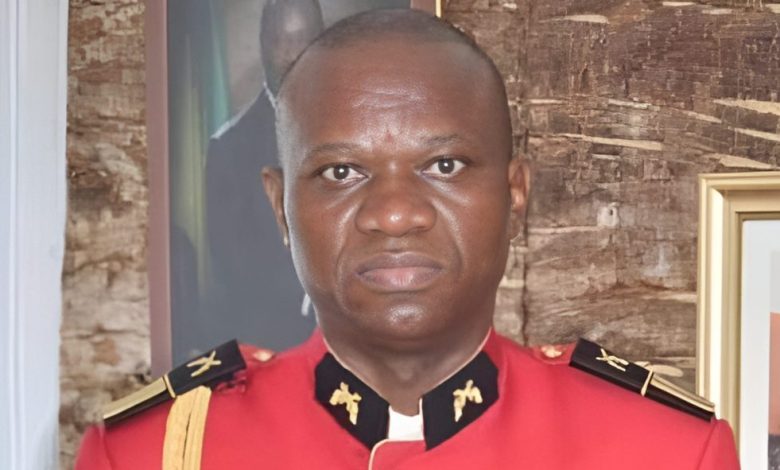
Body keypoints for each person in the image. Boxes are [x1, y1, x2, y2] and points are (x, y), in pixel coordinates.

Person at [75, 9, 740, 469]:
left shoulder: (665, 451)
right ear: (281, 208)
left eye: (444, 165)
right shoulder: (152, 453)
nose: (393, 215)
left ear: (514, 192)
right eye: (342, 172)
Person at [203, 0, 323, 352]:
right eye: (282, 40)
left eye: (303, 39)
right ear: (263, 44)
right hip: (273, 346)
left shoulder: (359, 125)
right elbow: (235, 273)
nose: (293, 53)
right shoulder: (228, 148)